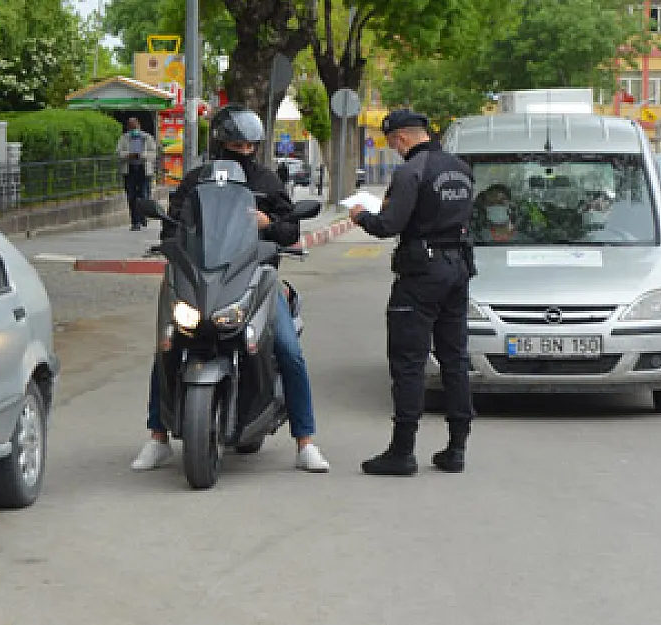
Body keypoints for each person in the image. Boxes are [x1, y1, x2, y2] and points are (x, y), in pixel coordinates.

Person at [131, 103, 330, 473]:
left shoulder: (268, 182)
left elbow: (290, 229)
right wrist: (170, 241)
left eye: (248, 146)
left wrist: (268, 222)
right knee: (169, 345)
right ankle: (157, 437)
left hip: (256, 278)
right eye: (235, 146)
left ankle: (306, 442)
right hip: (203, 278)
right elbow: (172, 225)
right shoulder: (194, 181)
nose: (243, 153)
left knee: (288, 349)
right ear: (219, 142)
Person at [348, 109, 477, 476]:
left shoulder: (411, 172)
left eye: (391, 142)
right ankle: (456, 448)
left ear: (401, 137)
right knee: (454, 359)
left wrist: (361, 217)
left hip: (421, 274)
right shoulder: (461, 169)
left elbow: (389, 225)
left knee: (408, 362)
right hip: (458, 269)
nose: (392, 149)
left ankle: (402, 451)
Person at [116, 117, 158, 231]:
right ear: (128, 127)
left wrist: (142, 155)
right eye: (131, 126)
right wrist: (129, 155)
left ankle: (143, 217)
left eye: (135, 126)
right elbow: (119, 153)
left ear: (139, 125)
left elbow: (153, 154)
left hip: (144, 170)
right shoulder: (124, 138)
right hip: (129, 170)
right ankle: (135, 221)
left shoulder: (147, 138)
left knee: (144, 195)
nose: (133, 129)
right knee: (132, 196)